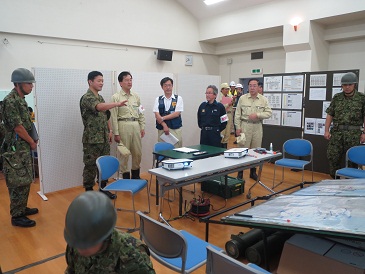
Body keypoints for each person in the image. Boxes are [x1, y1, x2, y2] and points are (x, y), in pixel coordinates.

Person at [64, 191, 155, 273]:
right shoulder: (75, 242)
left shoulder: (132, 256)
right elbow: (71, 270)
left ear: (104, 235)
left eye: (87, 243)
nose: (80, 249)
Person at [80, 71, 127, 199]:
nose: (101, 83)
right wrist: (117, 104)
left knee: (104, 165)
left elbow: (106, 116)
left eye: (102, 80)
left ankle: (103, 188)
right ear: (90, 82)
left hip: (104, 138)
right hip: (92, 139)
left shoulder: (100, 97)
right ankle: (89, 191)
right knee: (90, 165)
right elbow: (100, 107)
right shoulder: (87, 97)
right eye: (99, 80)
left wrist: (110, 131)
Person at [1, 68, 38, 227]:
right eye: (28, 83)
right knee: (17, 181)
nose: (31, 86)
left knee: (25, 178)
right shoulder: (11, 101)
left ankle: (21, 208)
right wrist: (31, 141)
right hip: (16, 147)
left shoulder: (21, 99)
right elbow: (18, 127)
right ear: (18, 84)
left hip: (22, 147)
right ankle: (16, 216)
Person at [324, 72, 365, 178]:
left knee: (352, 160)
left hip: (354, 134)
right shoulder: (337, 97)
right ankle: (335, 179)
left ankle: (349, 184)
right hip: (337, 133)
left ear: (354, 85)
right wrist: (326, 130)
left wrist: (364, 133)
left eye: (349, 85)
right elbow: (330, 114)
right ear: (341, 86)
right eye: (344, 85)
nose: (347, 87)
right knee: (333, 156)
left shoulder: (361, 98)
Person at [234, 78, 272, 180]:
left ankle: (253, 172)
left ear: (258, 87)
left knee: (256, 150)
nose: (252, 88)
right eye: (250, 85)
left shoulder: (263, 99)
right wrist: (237, 127)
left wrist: (258, 115)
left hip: (257, 126)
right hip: (245, 126)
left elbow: (269, 113)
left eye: (254, 85)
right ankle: (240, 172)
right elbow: (237, 114)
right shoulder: (242, 98)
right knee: (242, 149)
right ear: (248, 87)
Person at [111, 71, 145, 179]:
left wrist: (142, 126)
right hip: (123, 125)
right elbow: (114, 117)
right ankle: (125, 178)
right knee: (124, 154)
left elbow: (141, 112)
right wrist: (116, 133)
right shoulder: (116, 97)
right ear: (120, 83)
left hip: (135, 125)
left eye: (130, 79)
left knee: (137, 153)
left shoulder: (136, 96)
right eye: (126, 80)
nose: (129, 82)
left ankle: (136, 176)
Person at [153, 77, 183, 148]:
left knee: (176, 151)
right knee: (163, 152)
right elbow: (157, 115)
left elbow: (176, 114)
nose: (168, 87)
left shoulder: (178, 98)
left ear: (172, 86)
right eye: (165, 85)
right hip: (162, 129)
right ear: (162, 87)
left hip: (175, 129)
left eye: (169, 85)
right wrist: (164, 125)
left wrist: (163, 118)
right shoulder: (158, 99)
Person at [220, 83, 234, 148]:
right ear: (222, 89)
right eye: (226, 89)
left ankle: (225, 146)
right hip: (222, 115)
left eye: (228, 89)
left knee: (228, 132)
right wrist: (228, 104)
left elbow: (232, 105)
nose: (227, 90)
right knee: (223, 131)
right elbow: (220, 107)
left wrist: (233, 101)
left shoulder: (230, 96)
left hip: (229, 114)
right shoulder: (219, 97)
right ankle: (220, 147)